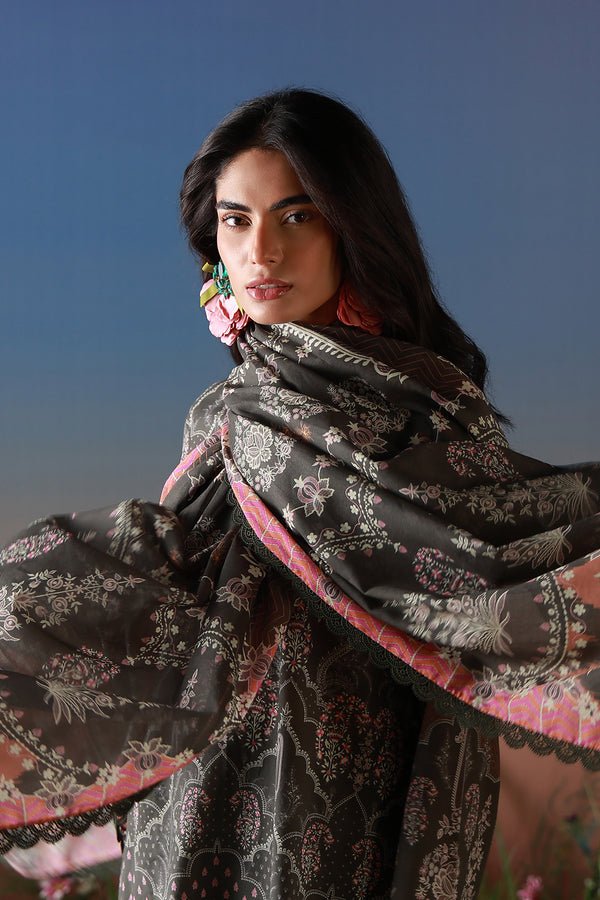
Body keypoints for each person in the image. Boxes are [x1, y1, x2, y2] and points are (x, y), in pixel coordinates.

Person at [0, 88, 599, 900]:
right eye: (236, 220)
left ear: (353, 226)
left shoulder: (430, 412)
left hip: (357, 787)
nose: (262, 252)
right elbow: (185, 596)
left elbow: (501, 566)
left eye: (296, 216)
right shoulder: (225, 415)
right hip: (210, 780)